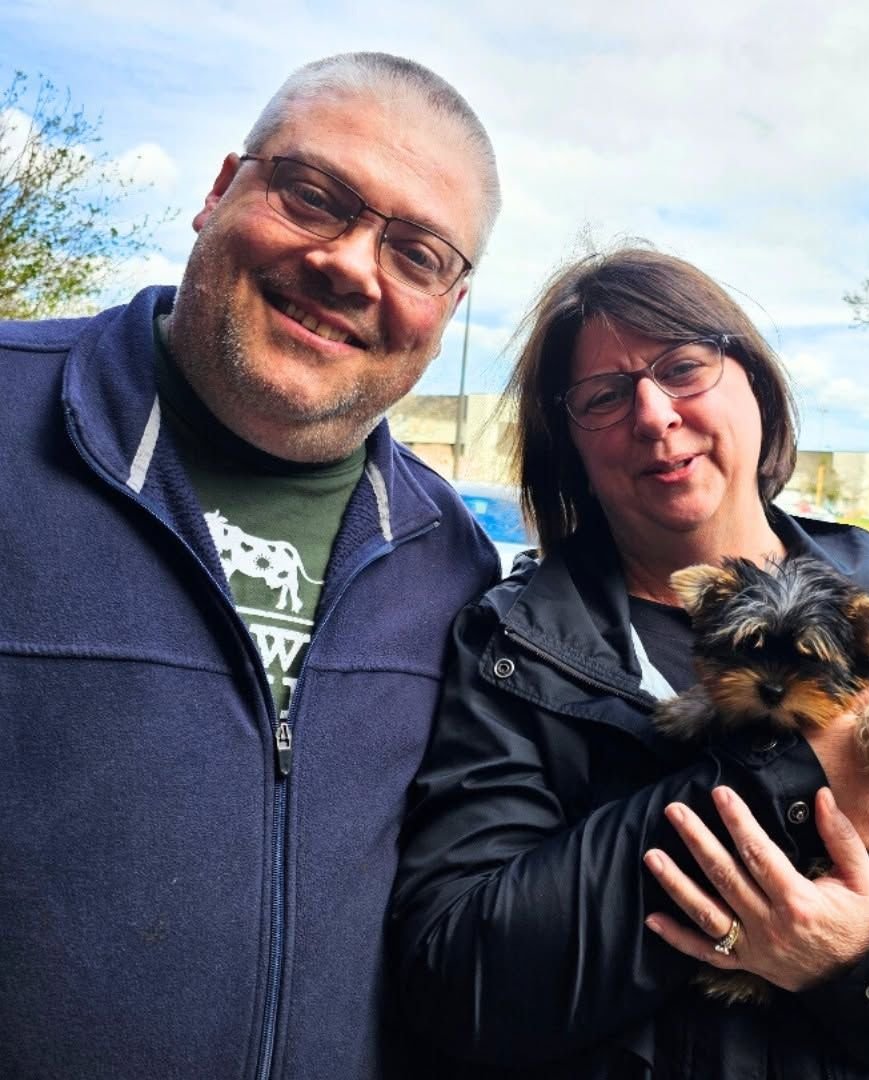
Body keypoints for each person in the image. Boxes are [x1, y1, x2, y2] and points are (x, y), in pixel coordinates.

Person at [391, 247, 869, 1078]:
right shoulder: (510, 649)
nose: (653, 414)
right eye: (604, 396)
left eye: (684, 366)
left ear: (753, 379)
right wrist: (797, 779)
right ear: (568, 442)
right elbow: (461, 983)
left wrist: (863, 956)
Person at [0, 53, 501, 1079]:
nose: (354, 265)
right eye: (315, 196)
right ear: (220, 190)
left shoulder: (455, 564)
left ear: (447, 306)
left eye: (416, 253)